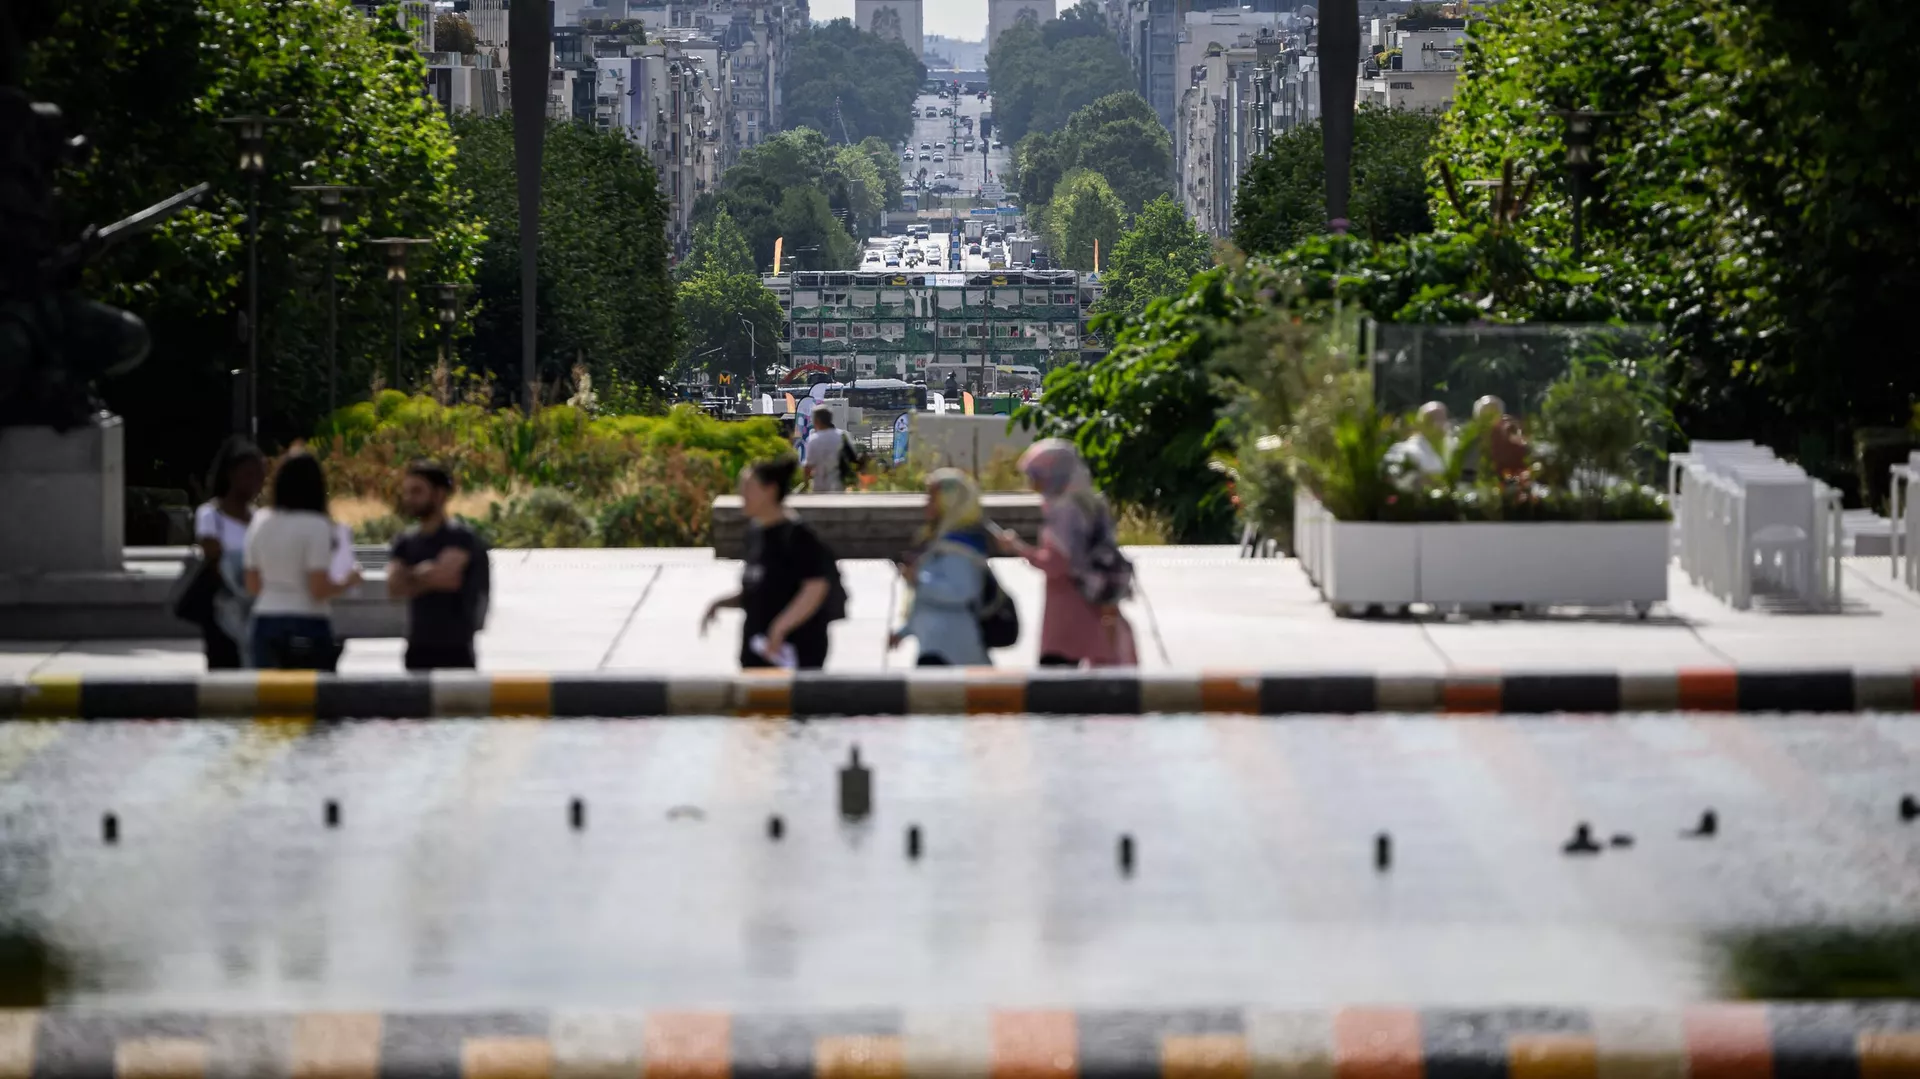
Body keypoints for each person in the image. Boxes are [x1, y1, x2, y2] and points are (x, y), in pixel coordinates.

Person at [995, 439, 1136, 668]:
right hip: (1095, 601)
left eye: (1037, 477)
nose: (1033, 486)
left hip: (1068, 607)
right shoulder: (1091, 504)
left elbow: (1056, 564)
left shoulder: (1063, 511)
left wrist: (1017, 547)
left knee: (1056, 677)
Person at [702, 458, 840, 670]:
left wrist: (780, 629)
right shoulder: (755, 533)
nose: (742, 495)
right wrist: (720, 603)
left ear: (770, 490)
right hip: (757, 652)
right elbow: (759, 588)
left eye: (748, 487)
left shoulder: (798, 537)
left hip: (793, 654)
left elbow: (816, 587)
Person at [243, 453, 360, 670]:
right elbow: (318, 589)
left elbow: (252, 585)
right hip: (308, 622)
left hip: (264, 620)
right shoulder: (317, 525)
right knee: (310, 699)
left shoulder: (260, 521)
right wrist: (348, 581)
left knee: (269, 699)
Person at [388, 460, 490, 670]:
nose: (409, 498)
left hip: (456, 651)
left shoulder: (461, 538)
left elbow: (447, 579)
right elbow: (394, 587)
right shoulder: (405, 542)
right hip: (417, 651)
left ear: (440, 494)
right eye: (407, 492)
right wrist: (424, 574)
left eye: (417, 491)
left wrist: (410, 577)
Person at [178, 437, 266, 669]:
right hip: (221, 609)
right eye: (249, 474)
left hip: (253, 609)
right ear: (231, 474)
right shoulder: (210, 515)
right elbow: (213, 555)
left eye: (259, 475)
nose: (256, 481)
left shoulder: (259, 518)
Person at [890, 469, 990, 667]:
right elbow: (929, 603)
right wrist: (905, 631)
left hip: (949, 646)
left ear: (950, 500)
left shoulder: (959, 546)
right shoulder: (942, 539)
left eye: (932, 497)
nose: (926, 503)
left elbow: (961, 591)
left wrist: (917, 579)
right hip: (936, 643)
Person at [803, 406, 849, 492]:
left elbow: (808, 466)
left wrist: (805, 485)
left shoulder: (814, 439)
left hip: (820, 486)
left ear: (817, 420)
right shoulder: (842, 436)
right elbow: (852, 460)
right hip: (840, 485)